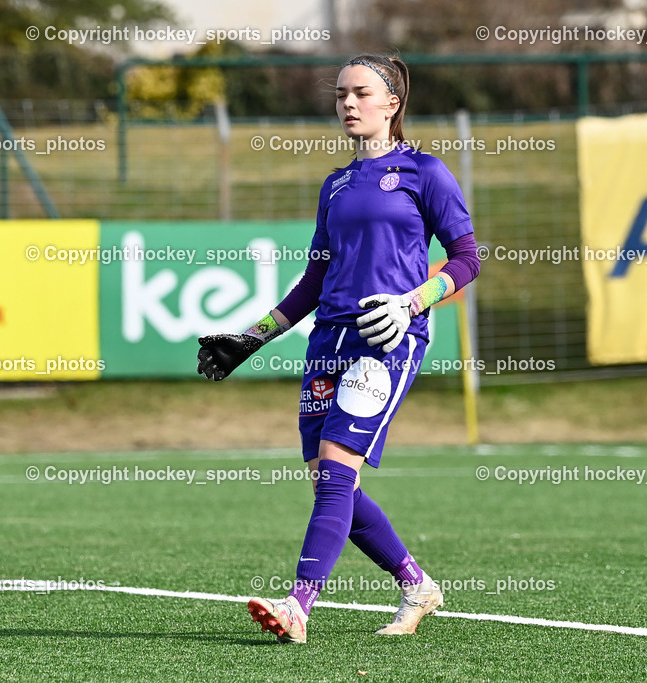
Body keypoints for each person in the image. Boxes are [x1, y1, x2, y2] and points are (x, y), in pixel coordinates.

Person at [197, 53, 480, 643]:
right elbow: (314, 281)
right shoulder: (337, 184)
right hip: (329, 340)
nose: (348, 103)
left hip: (388, 340)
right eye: (341, 94)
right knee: (331, 480)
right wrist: (249, 340)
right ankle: (416, 584)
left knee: (334, 475)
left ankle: (298, 606)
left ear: (392, 104)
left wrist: (413, 302)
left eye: (361, 93)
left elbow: (466, 258)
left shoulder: (427, 173)